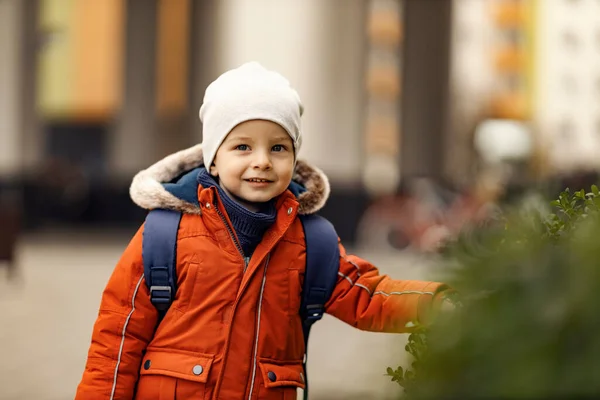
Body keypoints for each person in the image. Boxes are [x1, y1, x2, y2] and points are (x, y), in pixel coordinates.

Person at [75, 62, 452, 400]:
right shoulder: (165, 234)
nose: (261, 161)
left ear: (294, 157)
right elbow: (118, 338)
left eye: (277, 148)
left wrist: (439, 302)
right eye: (242, 146)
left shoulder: (310, 242)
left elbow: (367, 295)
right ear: (214, 160)